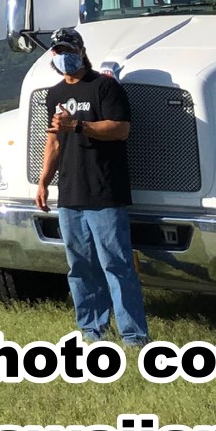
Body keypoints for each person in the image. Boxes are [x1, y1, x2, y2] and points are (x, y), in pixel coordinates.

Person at [35, 27, 149, 345]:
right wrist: (44, 182)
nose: (62, 57)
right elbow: (54, 141)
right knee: (80, 266)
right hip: (70, 192)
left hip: (104, 190)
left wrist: (80, 125)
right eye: (57, 52)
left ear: (81, 52)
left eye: (67, 51)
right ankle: (91, 331)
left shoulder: (104, 87)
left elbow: (120, 128)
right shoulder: (54, 94)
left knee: (116, 263)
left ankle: (133, 335)